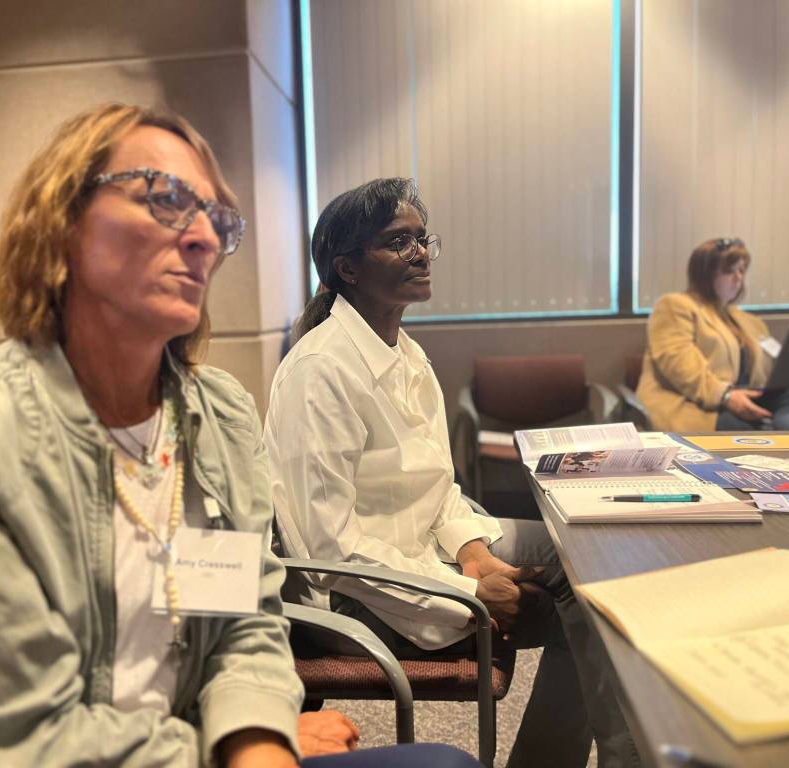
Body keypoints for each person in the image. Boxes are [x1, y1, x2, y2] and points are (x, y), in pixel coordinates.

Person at [0, 106, 480, 768]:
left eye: (217, 221)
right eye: (165, 199)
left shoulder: (217, 418)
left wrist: (252, 737)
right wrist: (241, 751)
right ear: (61, 222)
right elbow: (16, 742)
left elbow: (244, 631)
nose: (203, 240)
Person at [264, 178, 640, 768]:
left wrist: (471, 551)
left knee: (590, 554)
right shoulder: (319, 371)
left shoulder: (408, 354)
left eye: (422, 239)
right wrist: (470, 596)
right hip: (350, 601)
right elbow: (328, 548)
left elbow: (439, 490)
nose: (419, 252)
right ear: (349, 269)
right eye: (397, 242)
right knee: (579, 599)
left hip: (418, 556)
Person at [637, 238, 789, 432]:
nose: (738, 278)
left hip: (744, 396)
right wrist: (726, 396)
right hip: (700, 406)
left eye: (741, 270)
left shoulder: (749, 321)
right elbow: (681, 366)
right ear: (705, 276)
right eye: (729, 271)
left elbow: (770, 367)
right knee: (763, 432)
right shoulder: (675, 306)